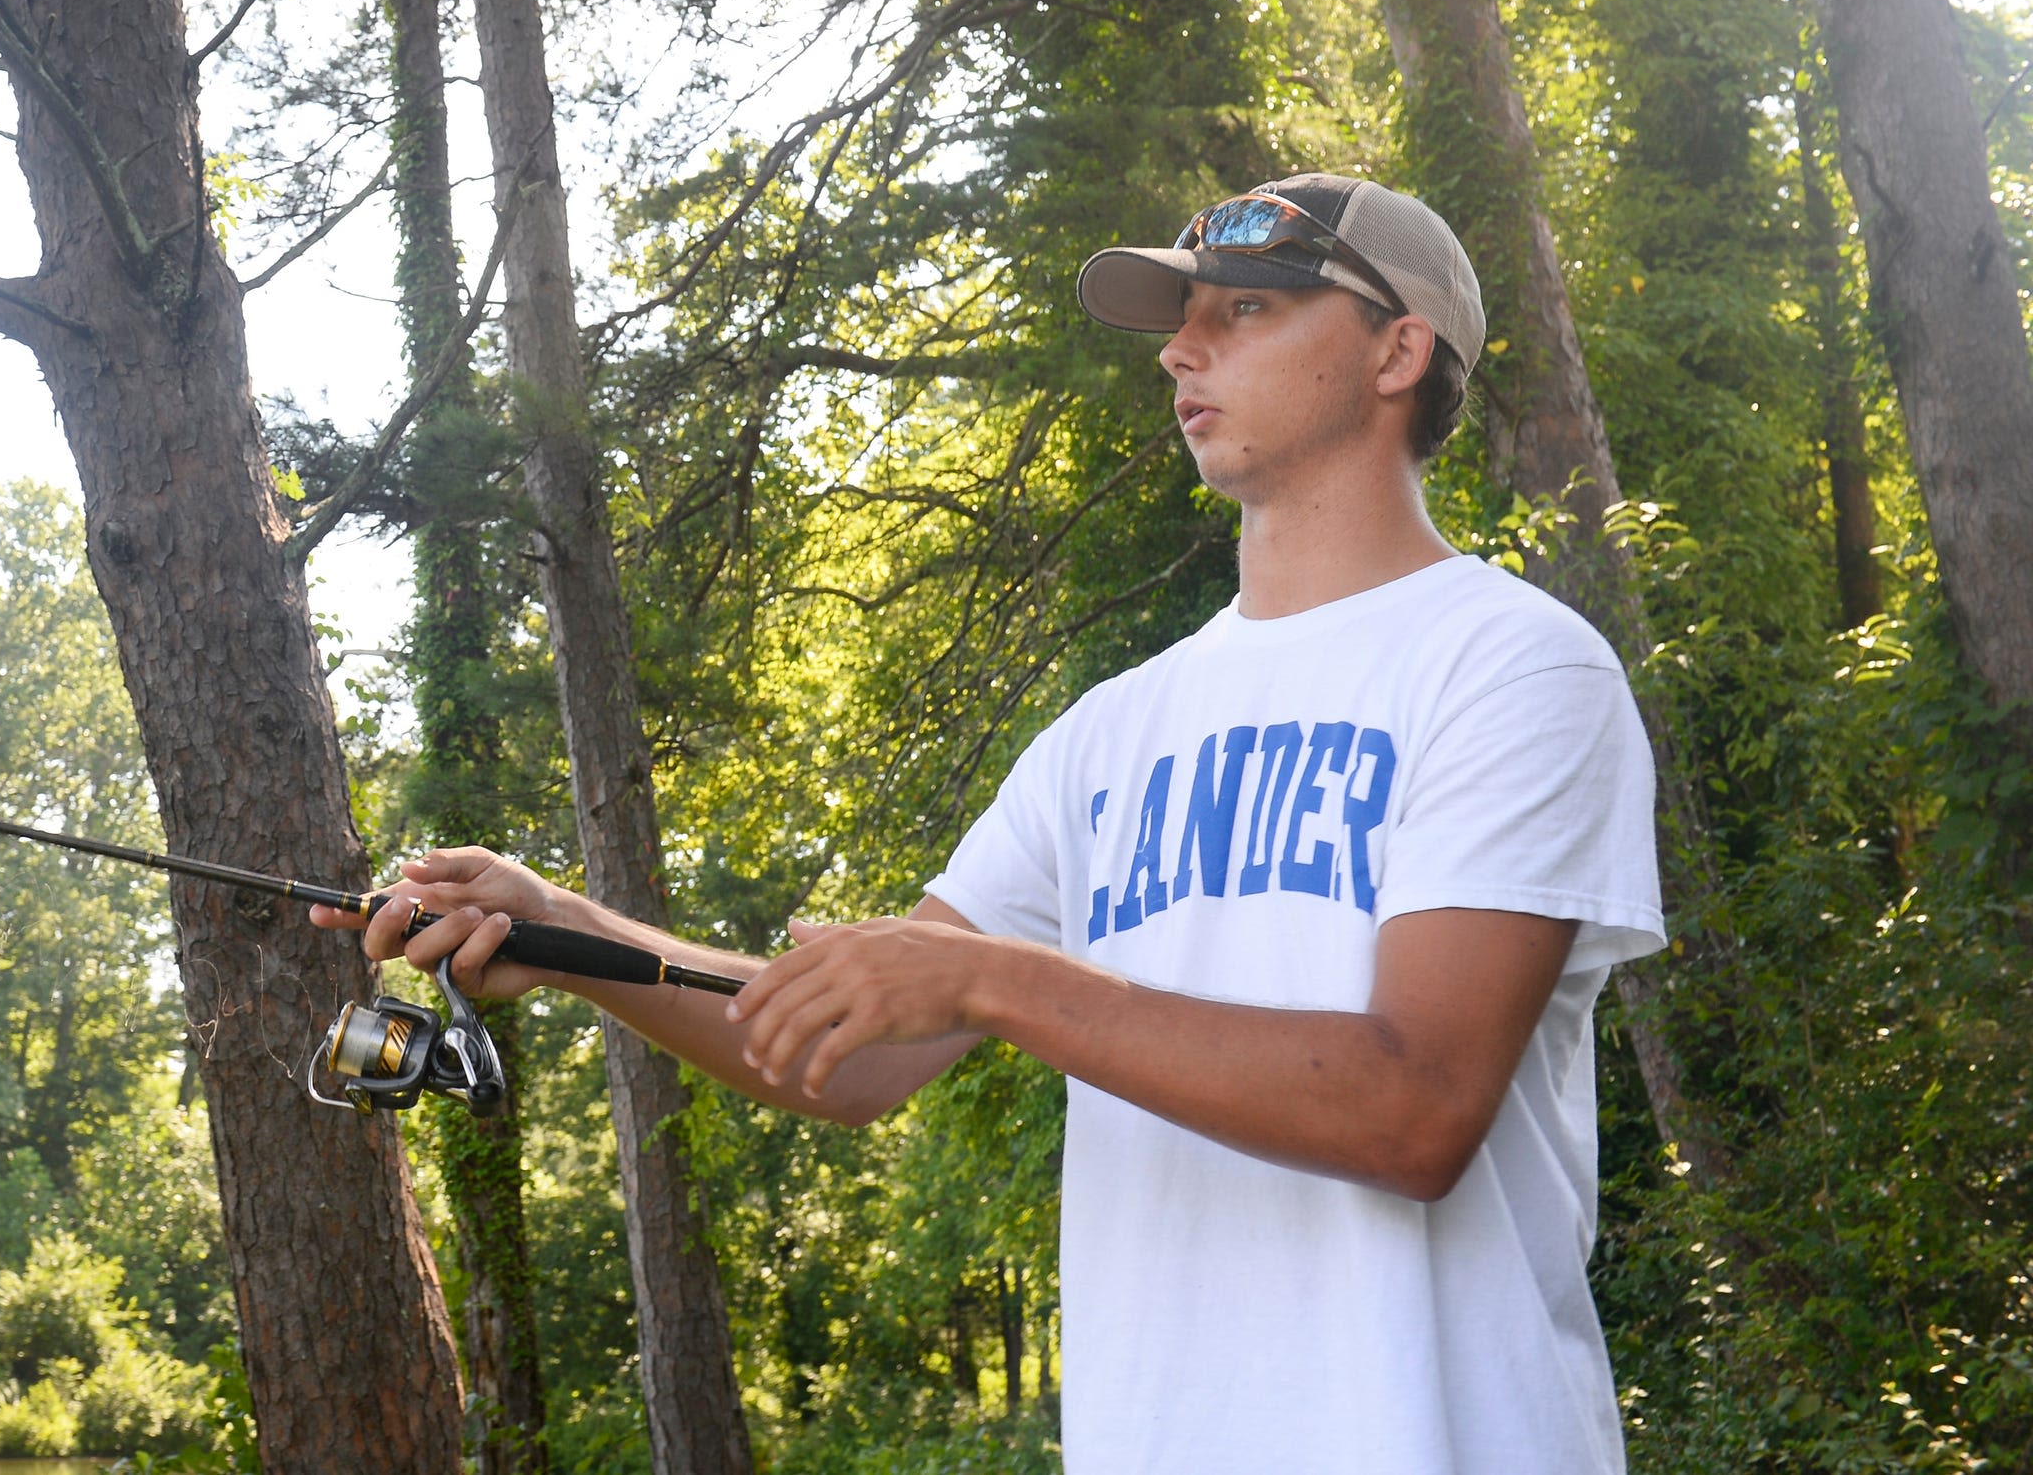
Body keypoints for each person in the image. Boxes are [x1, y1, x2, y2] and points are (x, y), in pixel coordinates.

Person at [317, 173, 1665, 1475]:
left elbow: (1413, 1107)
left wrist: (992, 977)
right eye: (1180, 316)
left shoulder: (1511, 667)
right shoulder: (1111, 732)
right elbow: (851, 1055)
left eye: (1243, 310)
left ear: (1397, 349)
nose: (1182, 348)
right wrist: (558, 929)